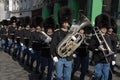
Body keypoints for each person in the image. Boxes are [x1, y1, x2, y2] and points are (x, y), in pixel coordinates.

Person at [50, 6, 73, 80]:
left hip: (68, 58)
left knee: (67, 77)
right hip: (59, 57)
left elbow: (73, 45)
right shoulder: (57, 33)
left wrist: (73, 52)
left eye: (67, 22)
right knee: (59, 76)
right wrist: (54, 55)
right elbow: (53, 45)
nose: (66, 24)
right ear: (62, 22)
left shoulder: (71, 33)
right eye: (65, 22)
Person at [89, 13, 114, 80]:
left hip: (107, 59)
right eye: (102, 28)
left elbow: (111, 48)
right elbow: (90, 46)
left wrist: (112, 58)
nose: (104, 29)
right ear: (99, 27)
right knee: (98, 75)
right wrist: (97, 48)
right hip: (98, 59)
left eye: (105, 28)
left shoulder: (108, 37)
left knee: (105, 76)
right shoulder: (95, 37)